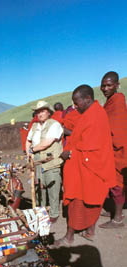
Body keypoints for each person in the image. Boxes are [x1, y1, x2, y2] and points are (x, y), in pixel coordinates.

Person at [54, 85, 116, 247]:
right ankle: (90, 231)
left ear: (87, 99)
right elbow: (80, 138)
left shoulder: (96, 115)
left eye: (77, 102)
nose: (75, 106)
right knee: (91, 201)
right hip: (87, 168)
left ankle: (69, 237)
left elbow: (92, 146)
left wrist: (70, 153)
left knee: (77, 202)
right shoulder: (90, 113)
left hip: (89, 169)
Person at [26, 100, 63, 223]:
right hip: (37, 159)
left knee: (52, 184)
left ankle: (54, 212)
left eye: (42, 111)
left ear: (48, 112)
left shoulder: (54, 124)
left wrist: (32, 149)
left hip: (50, 158)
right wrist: (28, 153)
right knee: (39, 184)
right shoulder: (35, 126)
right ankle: (41, 209)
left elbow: (47, 142)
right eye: (38, 111)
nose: (40, 114)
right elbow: (28, 140)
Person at [98, 71, 127, 229]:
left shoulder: (118, 101)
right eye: (103, 85)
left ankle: (117, 219)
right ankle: (116, 211)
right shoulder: (109, 102)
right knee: (112, 184)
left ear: (117, 85)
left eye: (109, 85)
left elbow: (119, 130)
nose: (105, 88)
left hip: (119, 150)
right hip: (110, 149)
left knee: (117, 185)